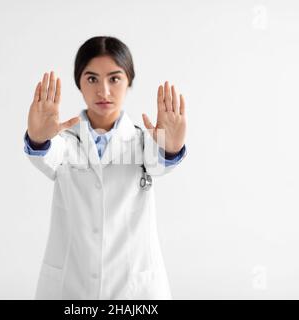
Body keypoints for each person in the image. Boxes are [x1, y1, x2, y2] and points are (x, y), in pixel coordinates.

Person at [23, 36, 187, 299]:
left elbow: (158, 163)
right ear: (78, 82)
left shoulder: (143, 141)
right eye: (92, 79)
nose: (104, 91)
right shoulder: (65, 142)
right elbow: (47, 156)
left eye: (114, 78)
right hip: (71, 288)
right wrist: (39, 138)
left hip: (134, 292)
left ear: (129, 81)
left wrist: (171, 147)